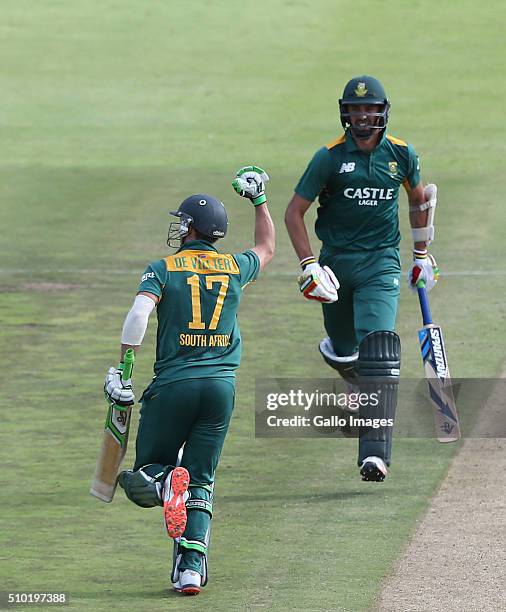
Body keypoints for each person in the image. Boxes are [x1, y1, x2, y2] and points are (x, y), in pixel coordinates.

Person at [104, 166, 274, 595]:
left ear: (191, 228)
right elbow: (267, 247)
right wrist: (259, 200)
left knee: (143, 476)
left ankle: (164, 482)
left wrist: (123, 369)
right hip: (221, 390)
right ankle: (191, 569)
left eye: (183, 221)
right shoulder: (235, 266)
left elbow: (140, 315)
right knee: (200, 479)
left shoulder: (163, 267)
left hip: (173, 387)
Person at [285, 75, 439, 482]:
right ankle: (363, 389)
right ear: (345, 114)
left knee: (379, 348)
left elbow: (419, 200)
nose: (362, 116)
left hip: (380, 264)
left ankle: (374, 454)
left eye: (369, 108)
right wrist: (308, 264)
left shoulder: (402, 154)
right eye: (355, 110)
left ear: (383, 111)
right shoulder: (329, 157)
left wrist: (422, 255)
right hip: (335, 266)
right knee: (343, 350)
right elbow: (294, 211)